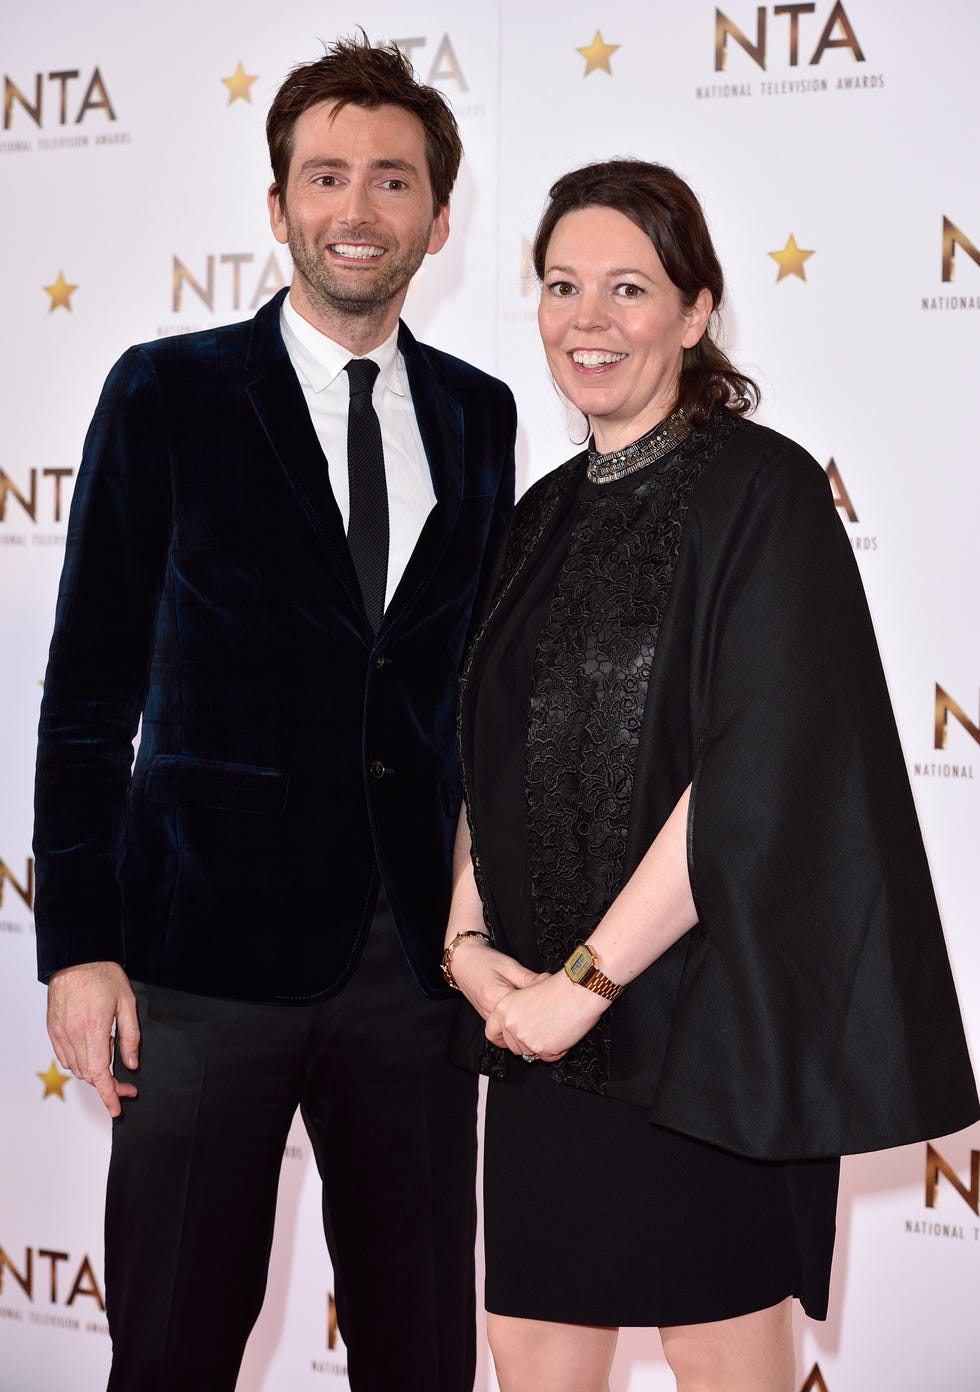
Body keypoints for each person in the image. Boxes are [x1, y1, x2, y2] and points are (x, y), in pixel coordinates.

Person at [442, 159, 979, 1392]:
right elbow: (483, 755)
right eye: (561, 285)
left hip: (704, 1036)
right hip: (532, 1039)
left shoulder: (763, 492)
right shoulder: (535, 516)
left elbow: (760, 770)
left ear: (694, 311)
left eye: (627, 288)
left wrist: (584, 981)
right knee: (529, 1354)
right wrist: (468, 952)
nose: (588, 320)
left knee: (723, 1356)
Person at [34, 36, 515, 1392]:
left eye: (392, 182)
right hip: (198, 968)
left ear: (435, 213)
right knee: (175, 1346)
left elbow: (467, 697)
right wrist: (77, 947)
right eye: (326, 178)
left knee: (420, 1351)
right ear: (277, 206)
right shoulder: (166, 391)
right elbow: (86, 697)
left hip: (416, 978)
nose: (357, 212)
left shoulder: (482, 419)